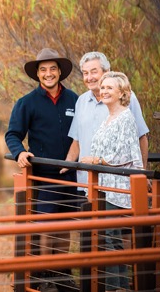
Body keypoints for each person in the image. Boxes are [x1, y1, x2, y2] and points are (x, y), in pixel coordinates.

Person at [5, 48, 79, 292]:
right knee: (46, 224)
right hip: (44, 176)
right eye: (43, 70)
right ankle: (44, 275)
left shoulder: (75, 101)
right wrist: (20, 152)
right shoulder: (27, 103)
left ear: (60, 72)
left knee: (64, 225)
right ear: (37, 74)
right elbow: (13, 134)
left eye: (53, 69)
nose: (49, 74)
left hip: (70, 175)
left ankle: (62, 273)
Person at [80, 71, 143, 291]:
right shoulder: (109, 118)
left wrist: (95, 159)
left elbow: (123, 156)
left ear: (121, 93)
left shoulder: (125, 117)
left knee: (111, 240)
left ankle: (118, 288)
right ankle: (115, 287)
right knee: (107, 240)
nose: (104, 91)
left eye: (109, 88)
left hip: (117, 190)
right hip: (102, 186)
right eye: (103, 87)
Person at [62, 52, 149, 196]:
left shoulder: (126, 98)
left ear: (106, 72)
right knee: (85, 218)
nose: (89, 78)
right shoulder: (81, 101)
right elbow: (77, 142)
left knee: (113, 218)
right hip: (85, 182)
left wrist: (142, 174)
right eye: (85, 73)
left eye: (94, 72)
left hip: (116, 184)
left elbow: (141, 137)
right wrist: (65, 165)